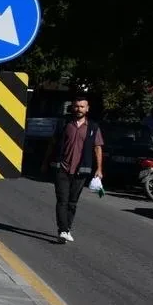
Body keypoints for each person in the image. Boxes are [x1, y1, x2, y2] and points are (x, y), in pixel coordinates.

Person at [43, 96, 103, 244]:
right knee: (62, 200)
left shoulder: (93, 127)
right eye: (76, 106)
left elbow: (98, 148)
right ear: (72, 107)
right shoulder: (64, 124)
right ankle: (62, 230)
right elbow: (52, 143)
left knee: (72, 202)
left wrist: (99, 169)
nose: (79, 109)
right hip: (62, 168)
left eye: (82, 107)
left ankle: (67, 228)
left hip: (81, 171)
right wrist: (45, 162)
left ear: (87, 109)